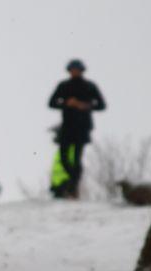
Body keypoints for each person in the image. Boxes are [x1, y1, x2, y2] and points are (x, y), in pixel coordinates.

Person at [48, 59, 106, 199]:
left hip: (83, 127)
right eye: (72, 70)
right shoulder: (64, 86)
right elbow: (52, 103)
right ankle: (71, 183)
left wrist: (85, 105)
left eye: (77, 70)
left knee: (77, 159)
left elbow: (101, 105)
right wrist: (66, 103)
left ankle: (73, 187)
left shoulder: (89, 86)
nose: (75, 72)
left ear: (81, 71)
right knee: (64, 158)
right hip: (67, 126)